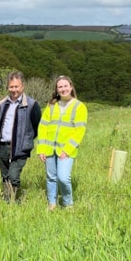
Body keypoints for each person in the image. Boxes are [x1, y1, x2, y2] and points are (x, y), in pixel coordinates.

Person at [36, 75, 88, 210]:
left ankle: (67, 203)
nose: (63, 89)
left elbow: (79, 131)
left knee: (63, 178)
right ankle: (52, 203)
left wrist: (68, 149)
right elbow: (43, 127)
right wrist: (41, 148)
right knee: (51, 177)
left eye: (66, 86)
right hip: (49, 148)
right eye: (60, 87)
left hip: (66, 150)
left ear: (71, 87)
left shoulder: (79, 107)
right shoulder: (52, 105)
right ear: (57, 89)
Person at [0, 71, 42, 204]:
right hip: (3, 145)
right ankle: (8, 202)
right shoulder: (1, 103)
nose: (14, 90)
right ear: (8, 87)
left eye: (16, 86)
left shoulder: (31, 104)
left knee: (13, 176)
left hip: (21, 146)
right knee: (5, 176)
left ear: (22, 86)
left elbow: (37, 126)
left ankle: (15, 201)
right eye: (11, 87)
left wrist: (27, 139)